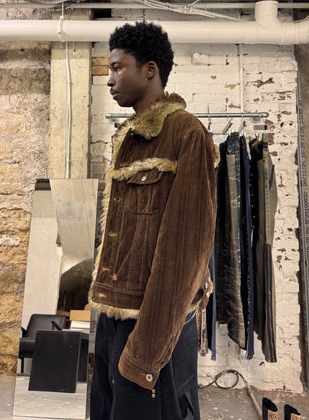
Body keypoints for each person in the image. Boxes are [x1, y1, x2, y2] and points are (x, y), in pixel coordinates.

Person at [89, 21, 218, 420]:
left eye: (117, 67)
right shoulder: (128, 138)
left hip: (153, 324)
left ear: (149, 70)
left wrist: (146, 350)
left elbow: (185, 253)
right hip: (114, 315)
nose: (110, 79)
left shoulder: (185, 133)